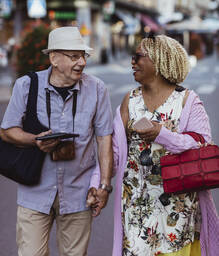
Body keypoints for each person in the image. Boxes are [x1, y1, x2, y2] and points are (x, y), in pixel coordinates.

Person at [90, 34, 219, 256]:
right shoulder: (130, 100)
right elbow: (114, 151)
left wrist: (161, 134)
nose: (132, 62)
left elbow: (202, 146)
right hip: (136, 205)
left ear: (158, 61)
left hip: (178, 208)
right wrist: (98, 185)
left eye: (138, 56)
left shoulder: (188, 100)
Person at [0, 26, 113, 256]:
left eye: (83, 56)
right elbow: (7, 131)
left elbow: (104, 139)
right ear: (53, 58)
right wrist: (35, 140)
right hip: (35, 193)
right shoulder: (26, 85)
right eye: (74, 56)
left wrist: (103, 185)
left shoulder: (97, 89)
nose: (81, 62)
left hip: (79, 194)